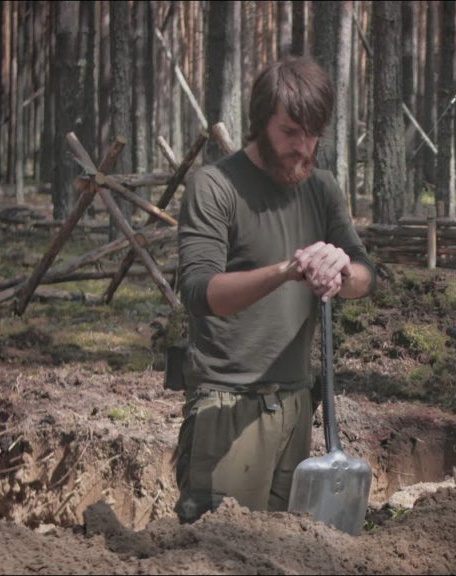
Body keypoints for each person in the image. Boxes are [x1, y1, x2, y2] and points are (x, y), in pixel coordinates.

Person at [173, 56, 375, 523]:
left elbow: (367, 274)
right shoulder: (215, 186)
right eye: (290, 132)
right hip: (228, 406)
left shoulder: (322, 189)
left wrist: (341, 269)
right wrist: (287, 270)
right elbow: (202, 293)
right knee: (218, 551)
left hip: (297, 405)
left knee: (288, 553)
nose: (303, 148)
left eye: (313, 134)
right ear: (260, 121)